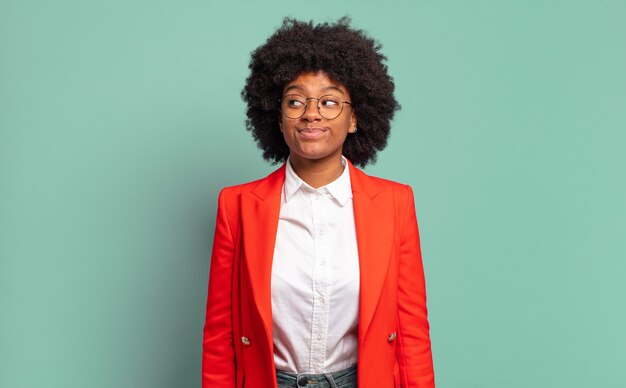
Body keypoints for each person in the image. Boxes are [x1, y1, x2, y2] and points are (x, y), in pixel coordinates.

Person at [202, 17, 435, 388]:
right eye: (295, 101)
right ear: (277, 117)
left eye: (329, 101)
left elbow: (411, 332)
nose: (311, 112)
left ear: (355, 117)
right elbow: (220, 335)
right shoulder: (238, 206)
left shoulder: (395, 203)